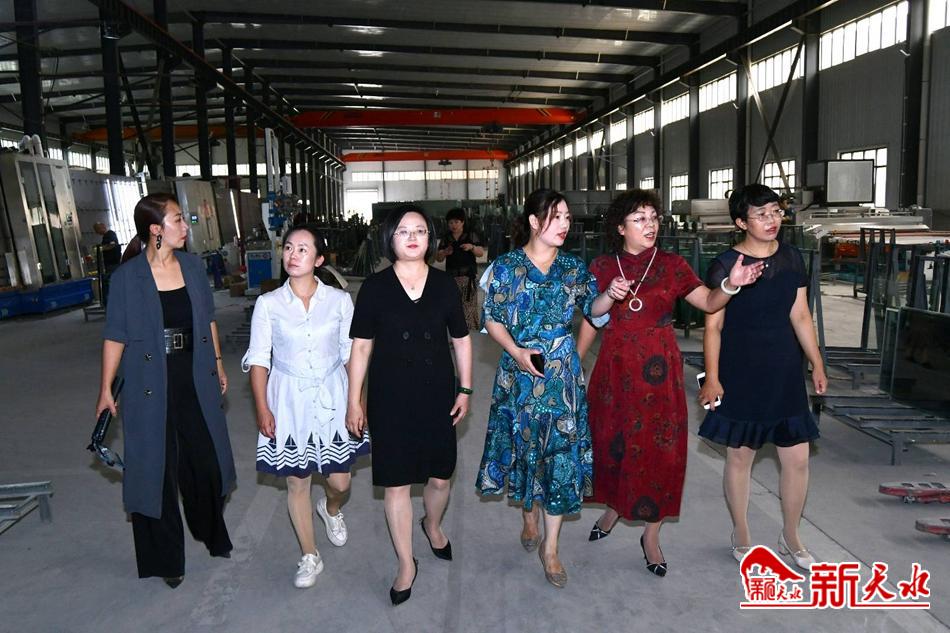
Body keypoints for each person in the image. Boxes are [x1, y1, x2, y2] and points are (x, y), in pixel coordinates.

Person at [576, 189, 763, 577]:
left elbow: (709, 302)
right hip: (615, 371)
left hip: (659, 372)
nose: (650, 225)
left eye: (653, 218)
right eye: (639, 219)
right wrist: (577, 358)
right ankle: (613, 509)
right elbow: (592, 316)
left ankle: (651, 535)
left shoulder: (672, 265)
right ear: (620, 227)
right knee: (611, 444)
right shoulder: (602, 266)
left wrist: (731, 284)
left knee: (661, 452)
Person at [475, 188, 622, 588]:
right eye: (556, 217)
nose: (564, 225)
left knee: (560, 456)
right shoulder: (506, 267)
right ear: (534, 221)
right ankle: (529, 515)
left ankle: (551, 548)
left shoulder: (573, 268)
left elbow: (592, 311)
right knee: (526, 448)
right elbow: (492, 318)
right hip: (519, 372)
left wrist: (608, 296)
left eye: (567, 218)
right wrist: (516, 351)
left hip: (561, 375)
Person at [96, 193, 235, 588]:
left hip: (193, 375)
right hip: (148, 382)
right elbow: (115, 335)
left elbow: (208, 319)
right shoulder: (127, 278)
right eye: (177, 219)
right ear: (155, 229)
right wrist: (105, 388)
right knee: (156, 472)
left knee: (208, 464)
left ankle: (207, 527)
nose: (185, 226)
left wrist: (218, 362)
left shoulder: (192, 267)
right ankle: (166, 560)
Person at [346, 204, 473, 606]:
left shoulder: (444, 285)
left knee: (440, 478)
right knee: (397, 483)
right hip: (390, 396)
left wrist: (465, 389)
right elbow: (361, 347)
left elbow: (461, 339)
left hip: (437, 394)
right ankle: (406, 562)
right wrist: (354, 401)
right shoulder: (375, 287)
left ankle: (432, 524)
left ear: (430, 239)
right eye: (403, 231)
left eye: (420, 230)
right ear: (390, 239)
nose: (413, 236)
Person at [697, 184, 827, 570]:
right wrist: (712, 377)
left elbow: (799, 315)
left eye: (775, 211)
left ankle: (791, 536)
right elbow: (713, 326)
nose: (772, 220)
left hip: (784, 371)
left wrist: (816, 363)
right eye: (761, 214)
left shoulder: (792, 258)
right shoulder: (725, 265)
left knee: (798, 459)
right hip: (741, 371)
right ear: (741, 222)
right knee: (740, 458)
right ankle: (741, 533)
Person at [242, 223, 368, 589]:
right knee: (297, 481)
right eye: (288, 248)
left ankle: (330, 508)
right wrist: (263, 408)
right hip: (288, 399)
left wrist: (357, 401)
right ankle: (310, 555)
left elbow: (351, 355)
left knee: (340, 481)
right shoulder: (269, 304)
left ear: (319, 259)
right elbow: (259, 358)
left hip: (332, 394)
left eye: (302, 249)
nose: (292, 255)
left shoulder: (339, 301)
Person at [434, 208, 484, 329]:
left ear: (462, 222)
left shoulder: (470, 235)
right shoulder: (446, 238)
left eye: (456, 222)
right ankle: (457, 329)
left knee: (469, 306)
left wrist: (471, 247)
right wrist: (445, 252)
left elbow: (481, 253)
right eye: (451, 223)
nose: (453, 225)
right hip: (451, 278)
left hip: (468, 277)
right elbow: (438, 258)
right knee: (453, 305)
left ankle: (469, 331)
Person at [94, 221, 121, 305]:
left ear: (103, 226)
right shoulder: (105, 237)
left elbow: (112, 244)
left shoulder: (110, 234)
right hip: (109, 264)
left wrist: (100, 249)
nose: (97, 232)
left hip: (113, 263)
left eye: (97, 229)